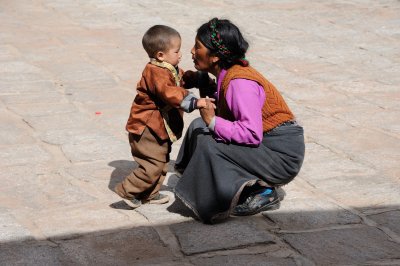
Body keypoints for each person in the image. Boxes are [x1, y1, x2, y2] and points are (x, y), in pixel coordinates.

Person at [174, 18, 305, 224]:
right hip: (266, 147)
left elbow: (251, 134)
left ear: (215, 57)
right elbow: (227, 107)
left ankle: (261, 189)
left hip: (280, 157)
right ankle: (212, 180)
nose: (191, 51)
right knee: (198, 127)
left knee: (210, 142)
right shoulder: (227, 74)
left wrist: (213, 122)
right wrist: (201, 82)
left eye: (197, 47)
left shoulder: (239, 82)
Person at [114, 25, 208, 209]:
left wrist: (198, 78)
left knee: (162, 161)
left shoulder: (168, 68)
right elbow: (169, 92)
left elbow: (181, 79)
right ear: (160, 55)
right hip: (146, 128)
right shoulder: (154, 72)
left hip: (158, 128)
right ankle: (128, 190)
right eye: (176, 51)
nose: (180, 54)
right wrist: (195, 102)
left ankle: (149, 194)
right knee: (152, 165)